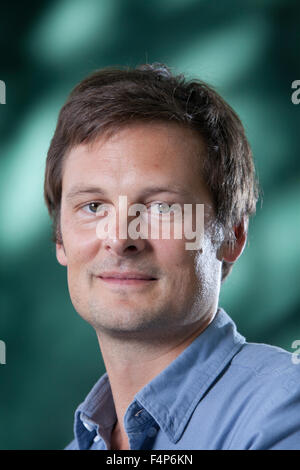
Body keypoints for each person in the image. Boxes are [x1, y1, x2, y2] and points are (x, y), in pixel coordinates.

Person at [44, 63, 300, 450]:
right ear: (60, 239)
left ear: (231, 235)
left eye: (162, 208)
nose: (119, 238)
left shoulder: (283, 408)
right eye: (94, 206)